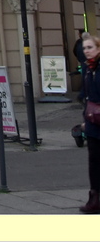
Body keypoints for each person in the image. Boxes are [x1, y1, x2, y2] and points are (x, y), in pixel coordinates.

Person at [79, 31, 100, 214]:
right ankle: (94, 199)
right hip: (93, 121)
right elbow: (84, 96)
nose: (86, 51)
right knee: (94, 161)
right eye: (84, 48)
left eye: (90, 47)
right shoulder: (87, 69)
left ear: (98, 48)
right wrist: (85, 118)